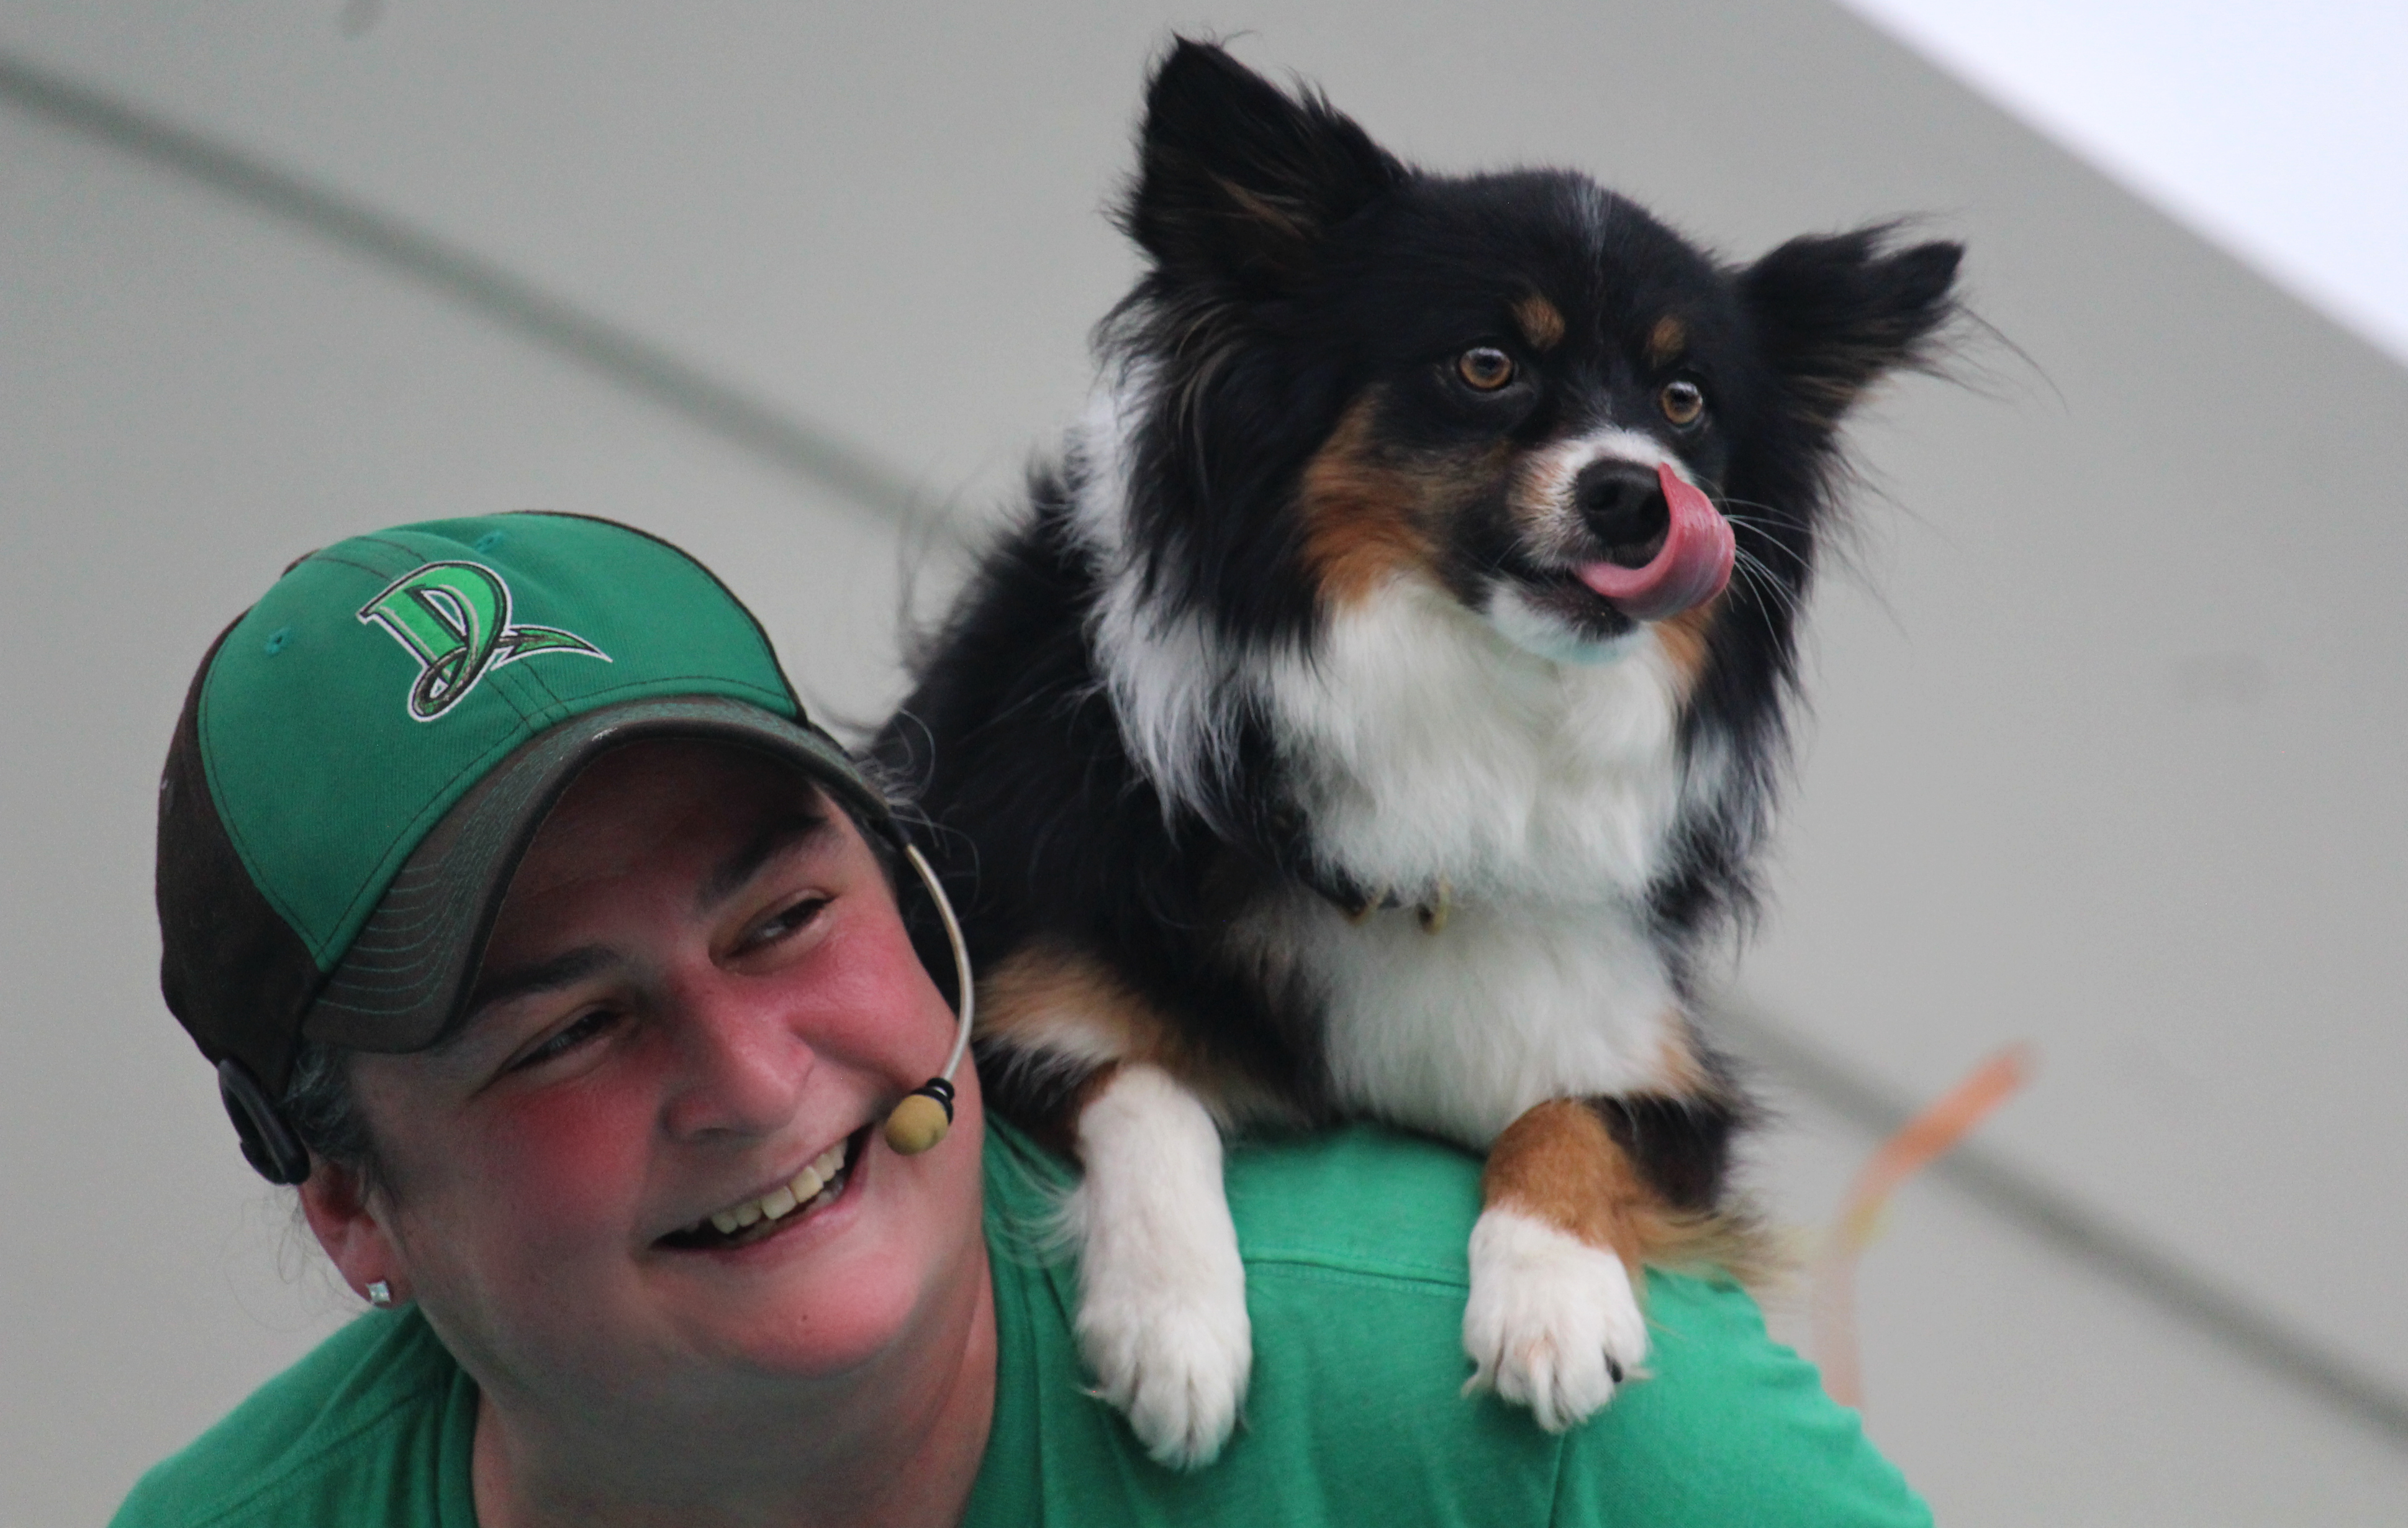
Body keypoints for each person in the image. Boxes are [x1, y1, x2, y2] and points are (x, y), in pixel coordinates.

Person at [119, 511, 1930, 1527]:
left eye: (786, 919)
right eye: (567, 1032)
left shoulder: (1515, 1417)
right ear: (351, 1205)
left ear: (922, 907)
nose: (753, 1075)